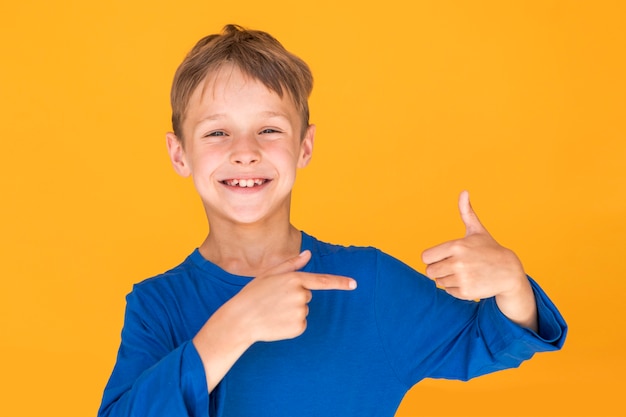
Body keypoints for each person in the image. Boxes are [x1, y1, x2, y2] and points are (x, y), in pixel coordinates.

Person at [98, 24, 567, 417]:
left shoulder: (370, 284)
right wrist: (233, 327)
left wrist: (511, 282)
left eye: (270, 129)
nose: (245, 152)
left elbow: (487, 339)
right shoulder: (156, 306)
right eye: (218, 132)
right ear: (180, 154)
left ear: (305, 146)